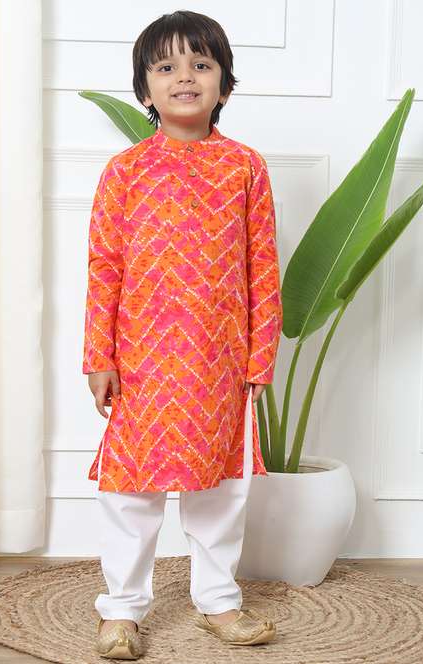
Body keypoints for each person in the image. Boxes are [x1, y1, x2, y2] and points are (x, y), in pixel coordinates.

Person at [83, 10, 283, 659]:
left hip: (218, 360)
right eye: (166, 67)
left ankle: (219, 600)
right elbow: (104, 266)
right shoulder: (124, 172)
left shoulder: (245, 168)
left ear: (225, 83)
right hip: (140, 362)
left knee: (220, 491)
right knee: (130, 491)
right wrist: (99, 355)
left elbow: (262, 266)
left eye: (201, 64)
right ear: (145, 88)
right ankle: (121, 608)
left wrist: (260, 355)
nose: (185, 77)